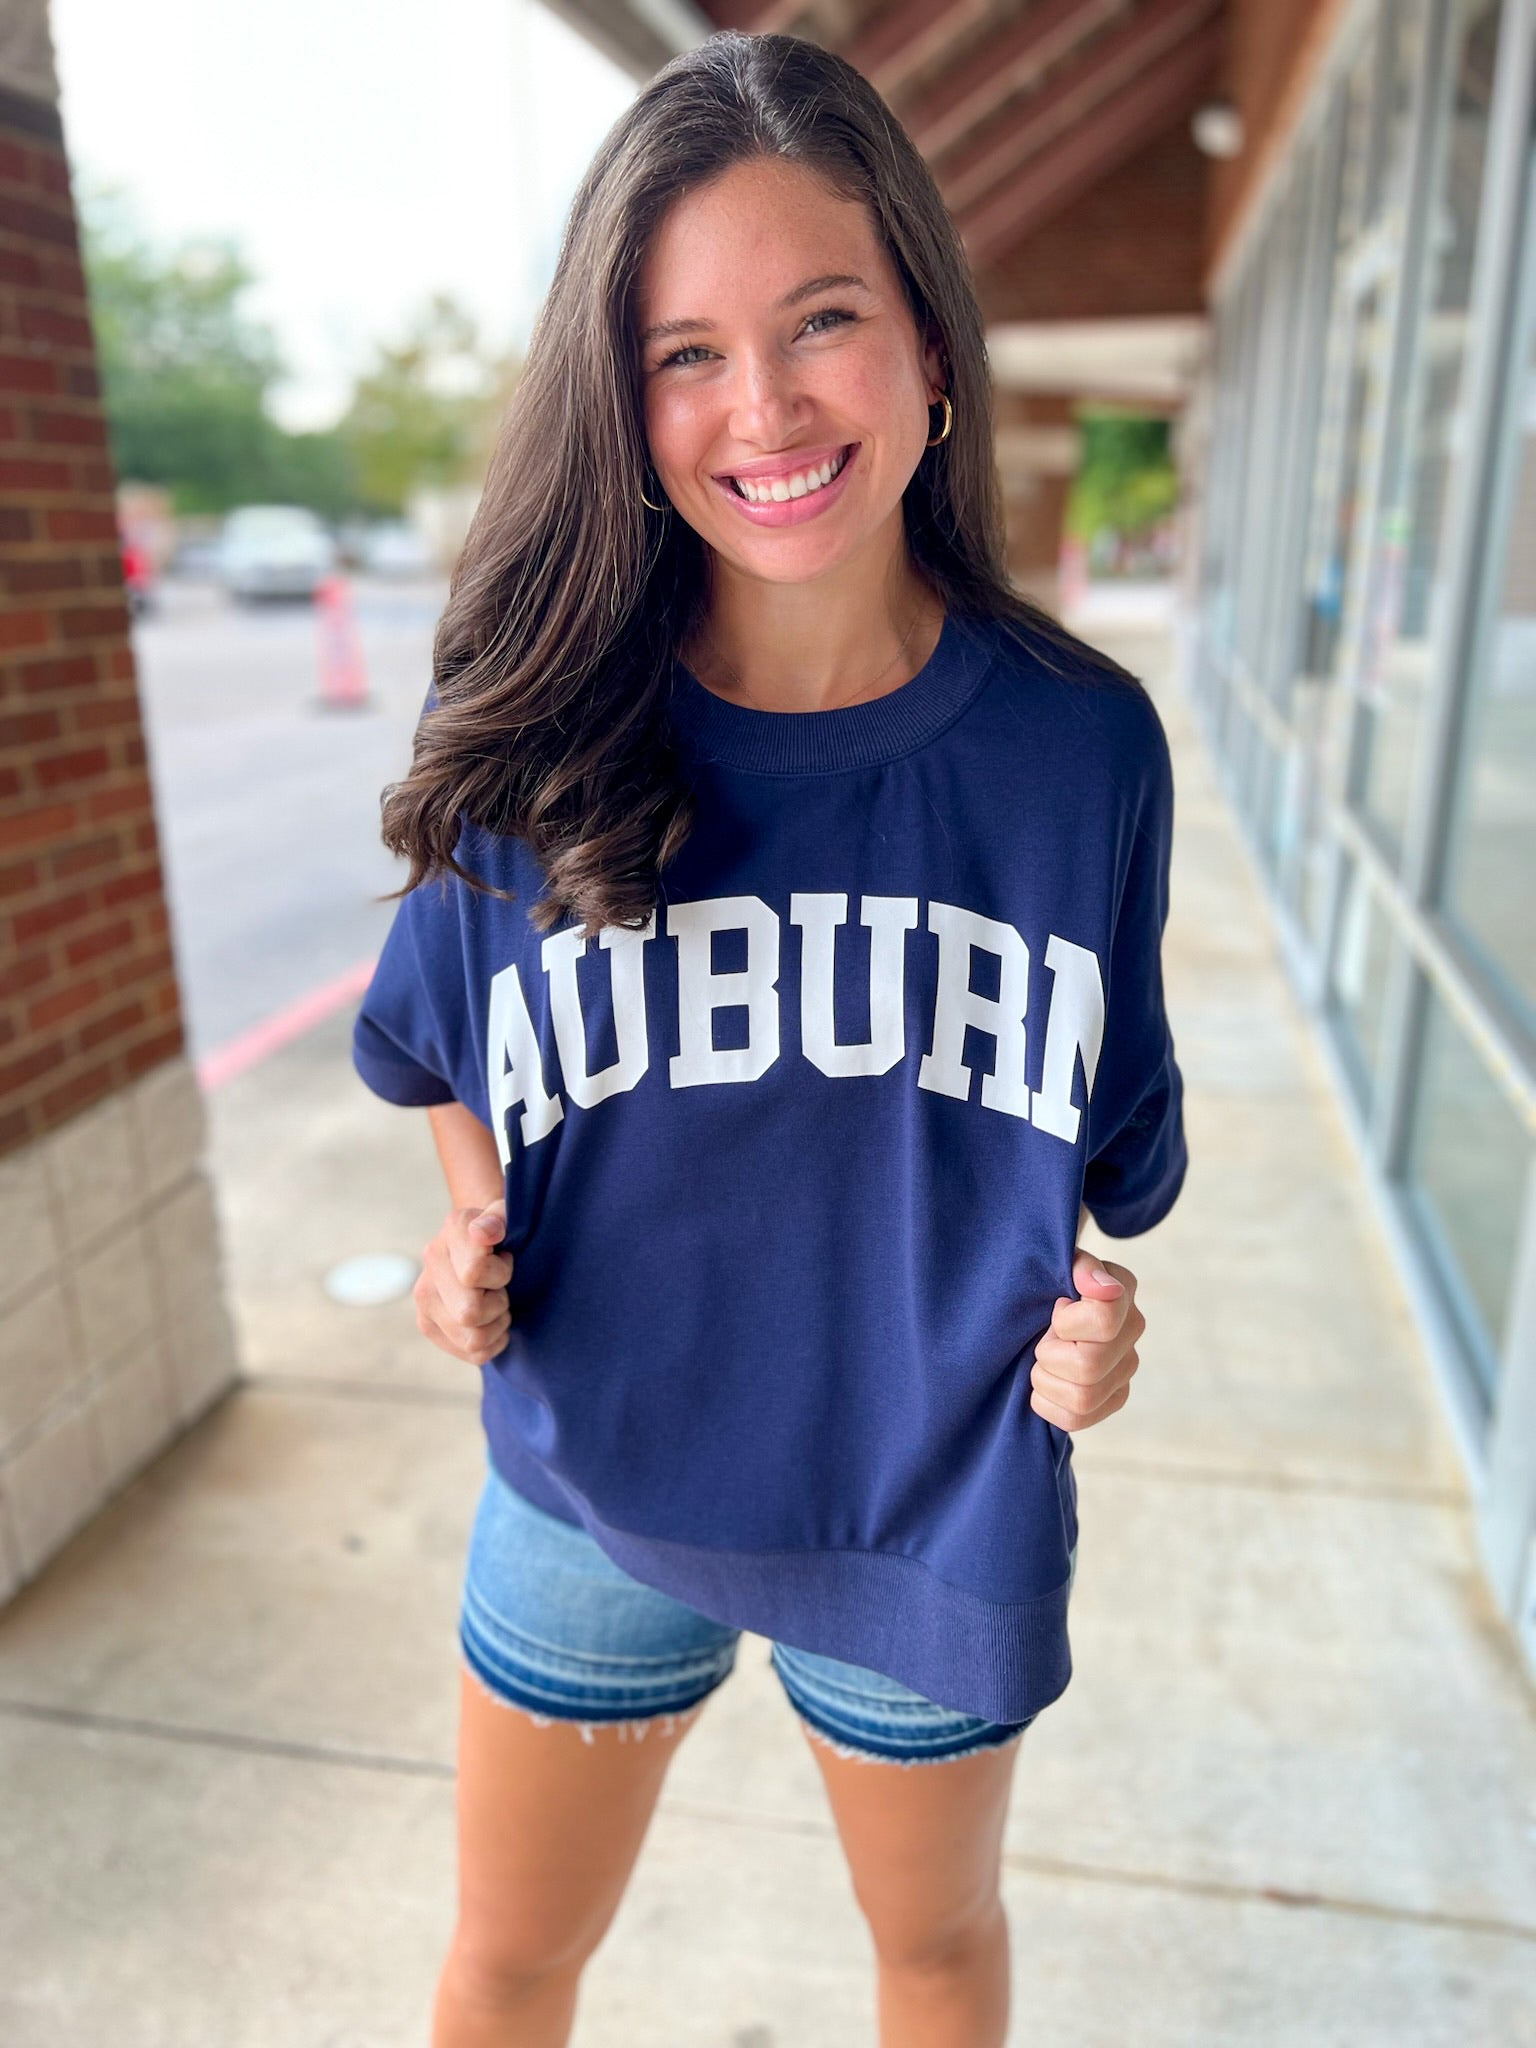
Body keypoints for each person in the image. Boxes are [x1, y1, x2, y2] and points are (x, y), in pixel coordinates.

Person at [351, 29, 1186, 2048]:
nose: (766, 405)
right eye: (686, 353)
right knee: (510, 1963)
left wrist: (1093, 1330)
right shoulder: (532, 727)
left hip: (932, 1510)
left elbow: (1096, 1158)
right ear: (622, 401)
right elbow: (443, 1047)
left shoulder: (1078, 752)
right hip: (587, 1485)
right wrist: (470, 1241)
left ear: (931, 350)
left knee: (936, 1949)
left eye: (823, 320)